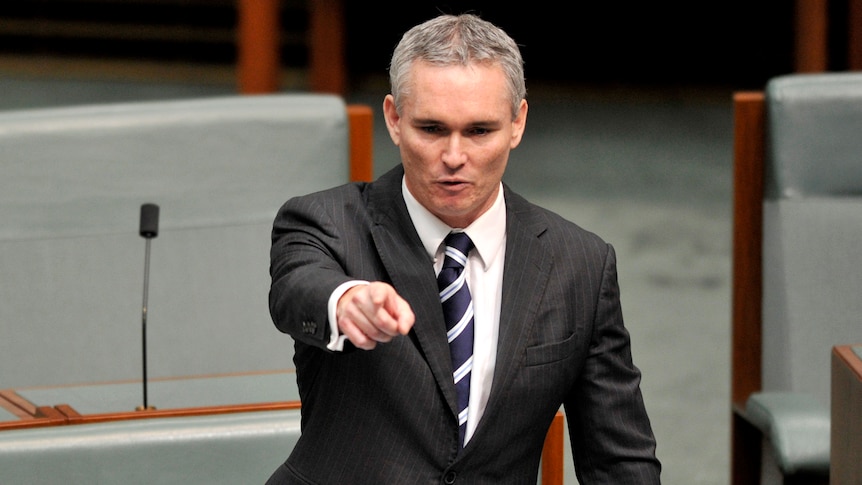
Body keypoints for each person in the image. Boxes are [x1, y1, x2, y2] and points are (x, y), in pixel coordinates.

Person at [267, 13, 661, 484]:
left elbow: (618, 459)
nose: (454, 157)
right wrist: (346, 302)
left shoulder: (580, 264)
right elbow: (299, 288)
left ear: (517, 123)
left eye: (479, 131)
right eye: (432, 129)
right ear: (394, 119)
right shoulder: (323, 222)